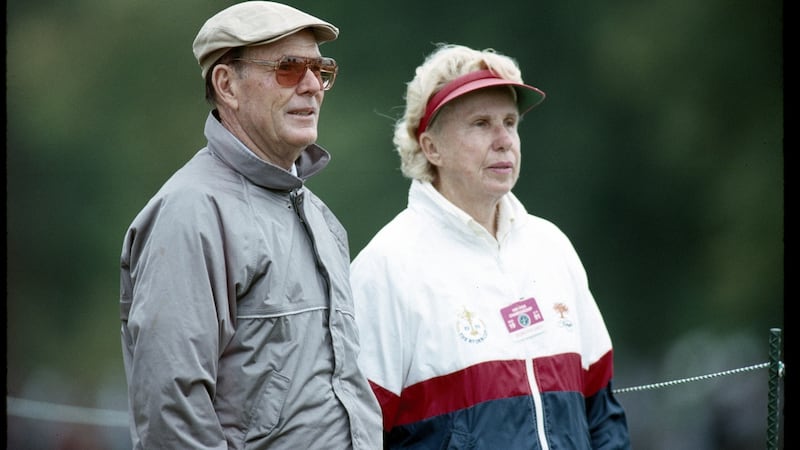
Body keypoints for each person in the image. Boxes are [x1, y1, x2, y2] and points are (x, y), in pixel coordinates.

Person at [118, 2, 382, 448]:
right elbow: (171, 415)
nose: (313, 85)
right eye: (289, 68)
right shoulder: (191, 213)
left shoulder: (318, 215)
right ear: (227, 85)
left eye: (322, 70)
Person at [350, 43, 631, 449]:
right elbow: (356, 435)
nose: (504, 140)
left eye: (510, 122)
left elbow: (602, 414)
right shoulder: (385, 267)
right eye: (481, 123)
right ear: (431, 147)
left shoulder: (552, 246)